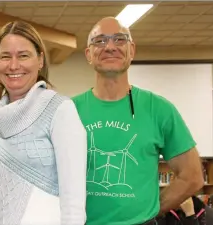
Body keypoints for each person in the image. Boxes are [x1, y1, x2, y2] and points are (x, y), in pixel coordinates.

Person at [72, 16, 204, 225]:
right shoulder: (69, 111)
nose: (110, 47)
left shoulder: (159, 109)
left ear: (131, 50)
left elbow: (192, 175)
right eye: (100, 41)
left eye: (119, 39)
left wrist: (152, 209)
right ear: (88, 54)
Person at [0, 20, 87, 225]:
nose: (13, 65)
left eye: (23, 55)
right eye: (5, 56)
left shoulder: (59, 109)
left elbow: (74, 200)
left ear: (40, 60)